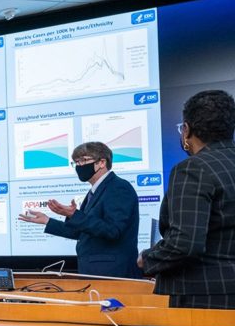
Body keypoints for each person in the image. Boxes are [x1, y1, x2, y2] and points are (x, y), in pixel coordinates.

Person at [139, 90, 235, 309]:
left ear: (186, 130)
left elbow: (185, 244)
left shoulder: (193, 169)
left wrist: (148, 258)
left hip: (203, 296)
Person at [19, 141, 142, 278]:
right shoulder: (94, 192)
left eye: (83, 160)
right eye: (76, 162)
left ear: (102, 162)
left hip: (112, 272)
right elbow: (81, 232)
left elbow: (112, 230)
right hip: (96, 271)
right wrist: (48, 221)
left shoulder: (118, 188)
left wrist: (74, 214)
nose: (79, 166)